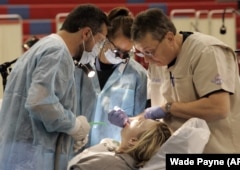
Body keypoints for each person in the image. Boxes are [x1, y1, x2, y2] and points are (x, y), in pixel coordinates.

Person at [0, 4, 109, 170]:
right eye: (100, 41)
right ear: (86, 33)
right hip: (30, 159)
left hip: (19, 153)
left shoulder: (42, 47)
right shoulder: (57, 52)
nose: (98, 49)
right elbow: (40, 102)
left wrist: (65, 138)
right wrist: (74, 126)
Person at [131, 8, 240, 153]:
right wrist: (132, 120)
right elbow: (158, 110)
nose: (147, 59)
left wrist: (169, 108)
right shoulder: (157, 63)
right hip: (181, 151)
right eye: (141, 53)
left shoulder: (206, 52)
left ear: (169, 38)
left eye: (149, 52)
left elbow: (218, 108)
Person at [74, 7, 148, 147]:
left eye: (126, 53)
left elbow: (142, 124)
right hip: (78, 150)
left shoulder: (138, 75)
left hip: (113, 154)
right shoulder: (81, 67)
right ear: (104, 39)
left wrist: (129, 121)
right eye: (117, 51)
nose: (121, 57)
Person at [67, 110, 172, 170]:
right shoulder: (122, 162)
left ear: (134, 141)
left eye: (140, 123)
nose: (133, 119)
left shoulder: (108, 164)